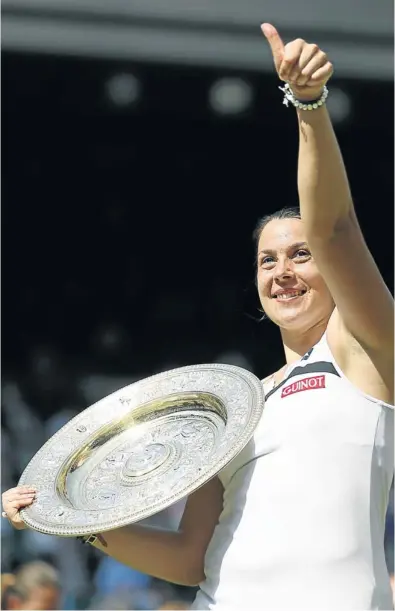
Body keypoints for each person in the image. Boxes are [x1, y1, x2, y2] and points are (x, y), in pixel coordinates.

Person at [2, 23, 394, 610]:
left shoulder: (368, 353)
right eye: (267, 260)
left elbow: (336, 229)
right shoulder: (236, 407)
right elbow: (189, 560)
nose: (281, 271)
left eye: (300, 255)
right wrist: (68, 519)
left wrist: (308, 106)